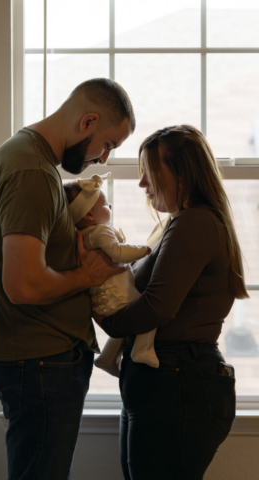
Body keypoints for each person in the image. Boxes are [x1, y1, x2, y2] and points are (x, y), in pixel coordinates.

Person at [0, 78, 135, 480]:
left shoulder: (29, 161)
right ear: (87, 121)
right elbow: (23, 285)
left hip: (37, 358)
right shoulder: (31, 171)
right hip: (40, 360)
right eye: (108, 144)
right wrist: (87, 274)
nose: (104, 158)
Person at [95, 124, 248, 480]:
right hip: (166, 382)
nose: (142, 184)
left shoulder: (193, 222)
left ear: (182, 172)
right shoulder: (179, 223)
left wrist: (103, 315)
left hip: (178, 383)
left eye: (150, 172)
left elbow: (157, 308)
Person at [64, 172, 158, 378]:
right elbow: (118, 252)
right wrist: (144, 250)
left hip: (103, 299)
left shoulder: (82, 235)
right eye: (106, 205)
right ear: (89, 215)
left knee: (124, 322)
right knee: (148, 315)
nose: (111, 207)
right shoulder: (101, 232)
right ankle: (142, 350)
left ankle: (107, 357)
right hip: (118, 294)